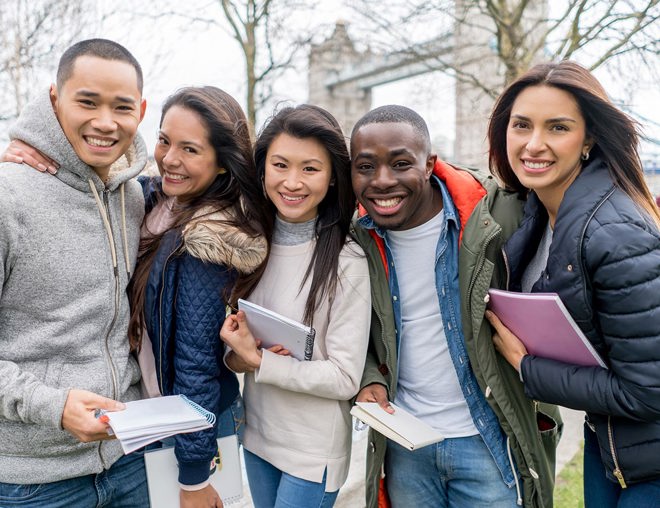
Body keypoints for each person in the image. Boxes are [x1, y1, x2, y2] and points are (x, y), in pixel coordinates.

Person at [350, 105, 561, 508]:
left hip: (488, 441)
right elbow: (356, 329)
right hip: (405, 445)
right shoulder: (356, 238)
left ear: (429, 164)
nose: (382, 181)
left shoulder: (497, 214)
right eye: (365, 167)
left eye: (400, 164)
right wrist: (367, 377)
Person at [485, 61, 660, 507]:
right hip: (611, 440)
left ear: (589, 140)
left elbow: (648, 392)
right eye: (521, 125)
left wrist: (528, 369)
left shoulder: (617, 234)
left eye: (557, 127)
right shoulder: (539, 214)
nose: (533, 144)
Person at [0, 39, 150, 506]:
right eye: (87, 101)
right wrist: (53, 407)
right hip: (33, 480)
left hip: (128, 461)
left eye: (121, 107)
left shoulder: (133, 198)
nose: (105, 122)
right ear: (53, 99)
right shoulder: (8, 198)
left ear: (141, 111)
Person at [219, 104, 371, 508]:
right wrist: (240, 355)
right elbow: (241, 354)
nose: (292, 182)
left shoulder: (347, 260)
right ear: (263, 168)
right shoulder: (250, 247)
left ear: (333, 176)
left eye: (310, 168)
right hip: (258, 435)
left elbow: (344, 377)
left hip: (312, 450)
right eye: (281, 165)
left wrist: (262, 364)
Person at [128, 86, 269, 507]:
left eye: (190, 149)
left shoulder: (208, 239)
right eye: (165, 140)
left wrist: (194, 475)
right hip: (158, 411)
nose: (170, 158)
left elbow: (196, 362)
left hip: (192, 421)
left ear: (222, 164)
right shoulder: (155, 202)